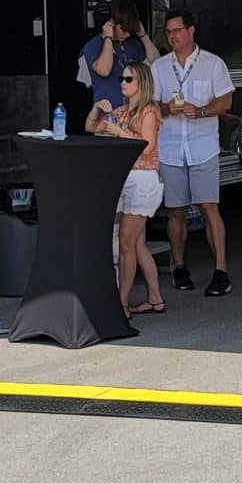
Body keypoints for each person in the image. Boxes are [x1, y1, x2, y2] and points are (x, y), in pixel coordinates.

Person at [153, 7, 234, 296]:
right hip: (171, 147)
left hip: (203, 147)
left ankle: (221, 271)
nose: (172, 36)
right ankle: (179, 267)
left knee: (209, 207)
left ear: (191, 31)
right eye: (168, 32)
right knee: (175, 212)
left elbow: (225, 101)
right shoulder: (160, 67)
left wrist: (201, 110)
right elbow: (150, 106)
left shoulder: (212, 63)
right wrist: (167, 108)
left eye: (177, 30)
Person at [90, 62, 168, 316]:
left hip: (142, 179)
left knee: (126, 244)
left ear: (141, 83)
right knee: (135, 244)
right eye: (121, 79)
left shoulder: (149, 110)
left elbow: (146, 146)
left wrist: (119, 132)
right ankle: (155, 298)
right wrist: (96, 110)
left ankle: (121, 303)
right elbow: (91, 128)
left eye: (128, 79)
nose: (122, 83)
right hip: (125, 179)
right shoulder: (123, 110)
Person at [78, 1, 157, 116]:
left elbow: (156, 63)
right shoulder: (93, 45)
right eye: (124, 30)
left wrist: (143, 36)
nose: (127, 35)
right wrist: (108, 37)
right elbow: (104, 70)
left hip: (133, 114)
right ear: (112, 23)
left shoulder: (132, 44)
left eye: (130, 31)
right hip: (108, 114)